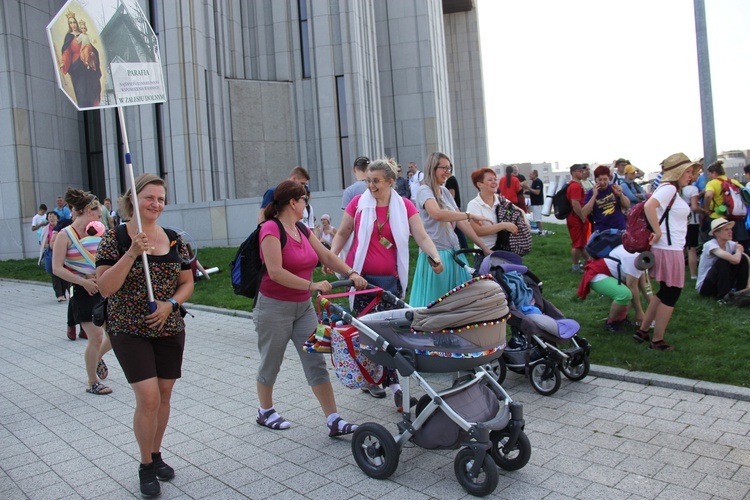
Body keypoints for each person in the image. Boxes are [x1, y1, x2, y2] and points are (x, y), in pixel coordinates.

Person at [96, 174, 194, 497]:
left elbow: (187, 284)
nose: (156, 204)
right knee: (148, 397)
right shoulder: (115, 239)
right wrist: (131, 253)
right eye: (150, 197)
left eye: (161, 199)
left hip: (168, 328)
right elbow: (105, 287)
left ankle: (156, 453)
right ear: (133, 199)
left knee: (164, 397)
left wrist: (170, 305)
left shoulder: (174, 239)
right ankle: (145, 466)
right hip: (129, 328)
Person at [254, 180, 367, 437]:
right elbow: (275, 272)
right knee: (271, 361)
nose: (307, 203)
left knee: (315, 360)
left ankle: (334, 419)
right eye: (304, 199)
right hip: (274, 307)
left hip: (302, 307)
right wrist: (312, 284)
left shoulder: (302, 229)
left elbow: (326, 256)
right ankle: (265, 410)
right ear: (292, 203)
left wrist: (350, 271)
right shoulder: (270, 229)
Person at [329, 159, 443, 408]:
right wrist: (332, 257)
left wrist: (434, 256)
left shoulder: (405, 206)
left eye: (376, 181)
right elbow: (343, 232)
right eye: (368, 180)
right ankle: (384, 383)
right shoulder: (358, 203)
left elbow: (421, 235)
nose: (370, 185)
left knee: (390, 336)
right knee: (370, 335)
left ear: (390, 181)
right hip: (360, 282)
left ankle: (390, 385)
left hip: (390, 282)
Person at [633, 153, 698, 351]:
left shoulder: (669, 189)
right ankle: (657, 340)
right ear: (677, 172)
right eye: (687, 171)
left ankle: (643, 331)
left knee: (665, 291)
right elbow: (649, 205)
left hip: (669, 247)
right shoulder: (669, 188)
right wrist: (659, 232)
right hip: (669, 248)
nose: (690, 175)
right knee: (672, 293)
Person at [410, 152, 492, 307]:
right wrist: (469, 215)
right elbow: (437, 214)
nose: (448, 172)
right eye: (444, 168)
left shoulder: (445, 191)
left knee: (461, 305)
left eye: (450, 168)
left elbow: (460, 222)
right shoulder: (424, 190)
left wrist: (483, 247)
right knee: (437, 307)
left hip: (455, 253)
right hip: (436, 255)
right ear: (433, 168)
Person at [52, 189, 112, 393]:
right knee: (95, 336)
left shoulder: (95, 233)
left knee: (114, 334)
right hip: (82, 292)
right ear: (87, 211)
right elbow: (57, 267)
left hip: (102, 289)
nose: (99, 218)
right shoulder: (65, 235)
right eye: (97, 214)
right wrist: (83, 281)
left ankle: (97, 359)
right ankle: (92, 382)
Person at [578, 245, 651, 333]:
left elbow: (645, 283)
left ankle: (621, 319)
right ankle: (610, 322)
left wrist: (653, 306)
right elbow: (633, 286)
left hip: (610, 274)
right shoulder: (633, 257)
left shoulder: (643, 256)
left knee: (631, 292)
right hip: (597, 274)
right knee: (625, 294)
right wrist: (639, 312)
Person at [466, 167, 530, 255]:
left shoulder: (501, 200)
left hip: (505, 250)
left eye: (495, 179)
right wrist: (503, 225)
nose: (494, 182)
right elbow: (479, 231)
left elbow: (519, 211)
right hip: (485, 253)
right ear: (479, 184)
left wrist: (526, 222)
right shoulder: (474, 205)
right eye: (490, 180)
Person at [696, 218, 749, 298]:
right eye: (726, 230)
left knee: (743, 259)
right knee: (724, 261)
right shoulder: (710, 245)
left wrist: (749, 285)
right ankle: (723, 296)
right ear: (717, 233)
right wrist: (738, 251)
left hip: (720, 281)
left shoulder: (730, 244)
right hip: (706, 286)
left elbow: (747, 260)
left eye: (730, 229)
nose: (730, 232)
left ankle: (741, 291)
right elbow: (735, 260)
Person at [58, 11, 101, 108]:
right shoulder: (69, 37)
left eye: (74, 22)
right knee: (81, 91)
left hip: (87, 68)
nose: (73, 24)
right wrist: (64, 63)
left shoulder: (83, 35)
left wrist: (93, 54)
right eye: (70, 23)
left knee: (91, 88)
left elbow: (91, 47)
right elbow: (66, 52)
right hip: (77, 68)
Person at [703, 160, 749, 245]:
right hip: (735, 217)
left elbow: (708, 195)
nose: (709, 176)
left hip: (718, 217)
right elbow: (745, 194)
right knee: (738, 245)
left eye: (709, 174)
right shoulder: (733, 181)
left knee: (717, 244)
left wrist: (706, 209)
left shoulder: (712, 183)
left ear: (715, 173)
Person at [581, 165, 630, 232]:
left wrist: (620, 195)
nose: (602, 183)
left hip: (619, 228)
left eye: (605, 179)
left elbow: (627, 205)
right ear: (595, 180)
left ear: (609, 178)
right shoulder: (591, 193)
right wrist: (594, 196)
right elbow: (584, 213)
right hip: (602, 230)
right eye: (600, 180)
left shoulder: (614, 188)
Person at [566, 164, 590, 272]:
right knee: (577, 244)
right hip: (576, 218)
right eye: (580, 170)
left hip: (576, 217)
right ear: (574, 172)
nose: (582, 172)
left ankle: (589, 262)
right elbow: (575, 203)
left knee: (581, 243)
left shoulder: (575, 185)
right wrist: (582, 217)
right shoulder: (575, 186)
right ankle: (575, 266)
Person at [681, 176, 702, 280]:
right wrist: (704, 211)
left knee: (680, 249)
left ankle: (679, 274)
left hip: (678, 221)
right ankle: (693, 275)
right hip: (691, 221)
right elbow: (694, 207)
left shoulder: (676, 189)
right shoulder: (692, 189)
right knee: (691, 249)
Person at [445, 173, 468, 249]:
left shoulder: (450, 180)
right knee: (458, 229)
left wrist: (448, 206)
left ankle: (464, 247)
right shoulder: (452, 179)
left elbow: (451, 195)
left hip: (453, 208)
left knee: (459, 229)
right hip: (454, 207)